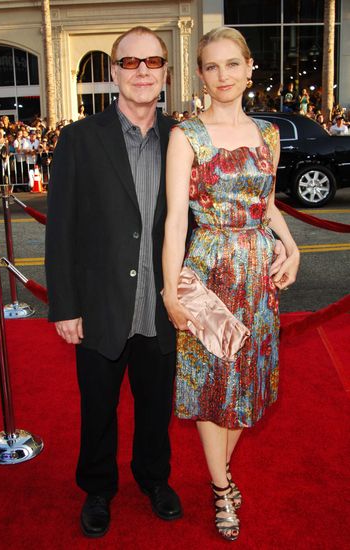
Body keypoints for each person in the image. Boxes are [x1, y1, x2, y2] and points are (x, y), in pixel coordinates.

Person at [162, 27, 300, 542]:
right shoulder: (186, 135)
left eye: (231, 64)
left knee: (250, 382)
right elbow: (176, 220)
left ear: (248, 68)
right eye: (211, 67)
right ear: (201, 74)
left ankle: (221, 475)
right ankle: (222, 489)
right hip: (209, 270)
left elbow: (266, 205)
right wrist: (170, 293)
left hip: (260, 271)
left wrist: (294, 247)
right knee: (209, 383)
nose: (222, 76)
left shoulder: (267, 134)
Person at [45, 26, 183, 539]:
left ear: (166, 71)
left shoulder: (182, 138)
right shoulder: (80, 139)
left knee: (156, 407)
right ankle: (98, 488)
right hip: (101, 304)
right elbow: (60, 229)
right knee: (97, 407)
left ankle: (154, 478)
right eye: (130, 62)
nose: (142, 71)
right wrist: (64, 306)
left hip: (162, 305)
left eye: (153, 61)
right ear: (113, 72)